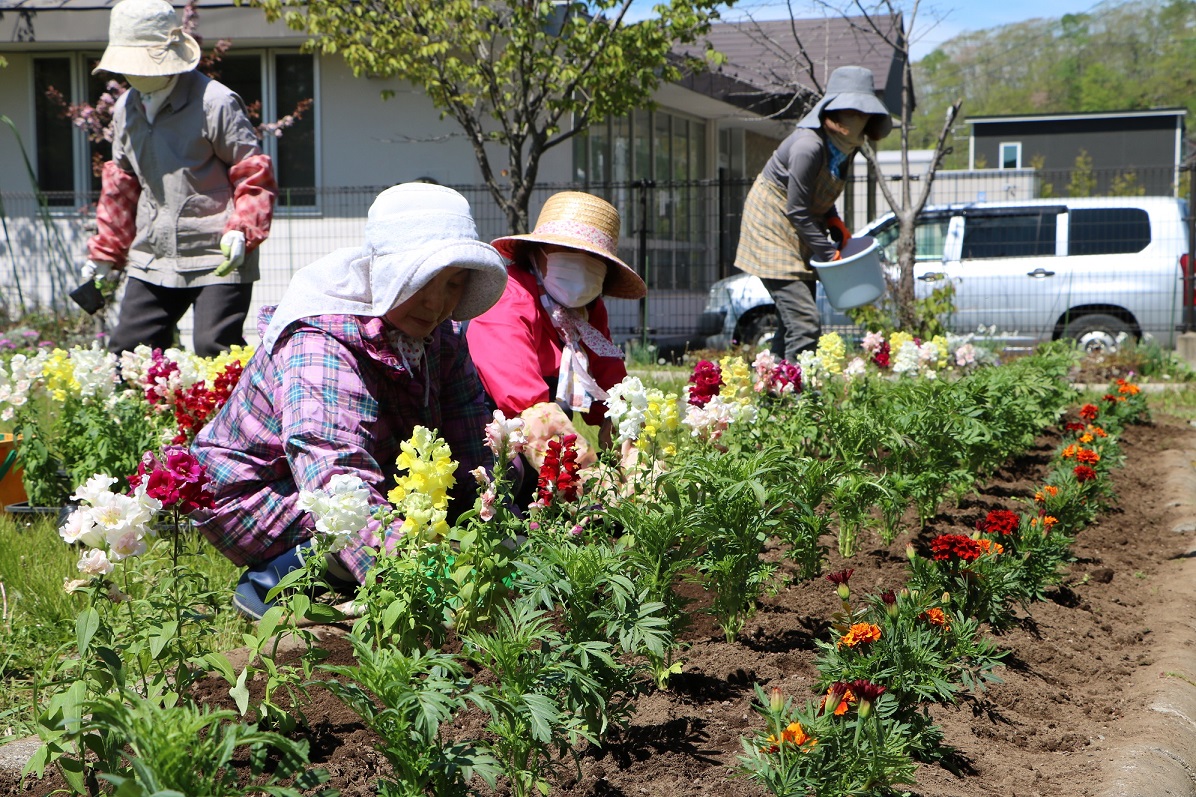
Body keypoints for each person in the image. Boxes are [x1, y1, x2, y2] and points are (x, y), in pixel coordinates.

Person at [191, 183, 509, 620]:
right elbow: (335, 477)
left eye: (454, 285)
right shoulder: (322, 338)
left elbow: (471, 435)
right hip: (262, 493)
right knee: (344, 523)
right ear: (387, 273)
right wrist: (431, 585)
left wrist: (498, 536)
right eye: (422, 282)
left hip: (369, 472)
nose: (437, 303)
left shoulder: (443, 334)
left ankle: (366, 564)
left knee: (494, 476)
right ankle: (275, 579)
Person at [84, 0, 277, 357]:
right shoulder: (125, 109)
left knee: (214, 348)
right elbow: (120, 188)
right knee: (129, 351)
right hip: (153, 253)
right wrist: (106, 253)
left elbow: (253, 174)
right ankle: (142, 414)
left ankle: (243, 412)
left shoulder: (215, 102)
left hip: (218, 251)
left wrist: (242, 229)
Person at [465, 191, 646, 471]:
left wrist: (631, 454)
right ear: (537, 252)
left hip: (549, 440)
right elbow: (524, 405)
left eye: (592, 258)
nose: (581, 264)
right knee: (511, 472)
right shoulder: (508, 297)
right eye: (568, 252)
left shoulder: (588, 311)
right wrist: (588, 477)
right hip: (498, 433)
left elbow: (613, 392)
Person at [734, 65, 894, 361]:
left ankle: (775, 392)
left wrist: (834, 221)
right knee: (804, 323)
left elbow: (817, 194)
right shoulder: (808, 146)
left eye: (862, 112)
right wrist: (828, 252)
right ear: (833, 111)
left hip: (800, 227)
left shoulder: (846, 149)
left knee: (790, 322)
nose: (857, 118)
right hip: (771, 226)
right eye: (851, 111)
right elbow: (796, 207)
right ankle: (798, 398)